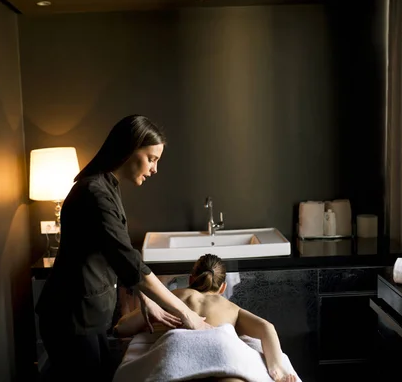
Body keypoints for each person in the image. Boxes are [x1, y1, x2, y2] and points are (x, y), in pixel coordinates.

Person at [35, 114, 211, 382]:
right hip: (70, 318)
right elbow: (130, 261)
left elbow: (116, 254)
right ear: (129, 150)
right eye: (151, 159)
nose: (154, 169)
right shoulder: (94, 194)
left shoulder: (108, 185)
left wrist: (145, 299)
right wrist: (187, 315)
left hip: (88, 316)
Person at [113, 254, 298, 382]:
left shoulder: (174, 297)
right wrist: (277, 372)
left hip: (178, 349)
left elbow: (122, 328)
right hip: (222, 350)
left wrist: (152, 315)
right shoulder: (231, 308)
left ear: (191, 279)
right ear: (223, 288)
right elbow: (267, 328)